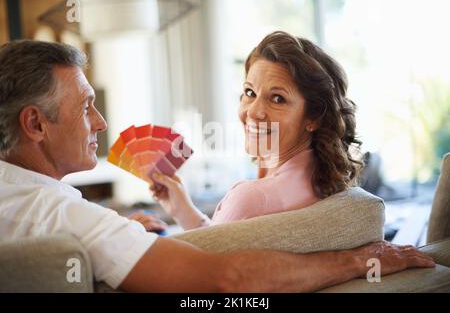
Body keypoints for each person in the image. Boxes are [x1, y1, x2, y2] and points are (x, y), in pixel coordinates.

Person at [0, 40, 434, 292]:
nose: (102, 122)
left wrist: (133, 226)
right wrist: (360, 261)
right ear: (35, 123)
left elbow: (218, 244)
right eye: (87, 106)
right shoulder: (66, 214)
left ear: (314, 114)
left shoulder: (33, 201)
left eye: (277, 98)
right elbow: (226, 273)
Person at [150, 31, 362, 229]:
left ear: (313, 117)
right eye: (250, 92)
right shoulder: (322, 183)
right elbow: (219, 248)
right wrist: (182, 210)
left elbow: (203, 264)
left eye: (277, 98)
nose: (253, 112)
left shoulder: (251, 198)